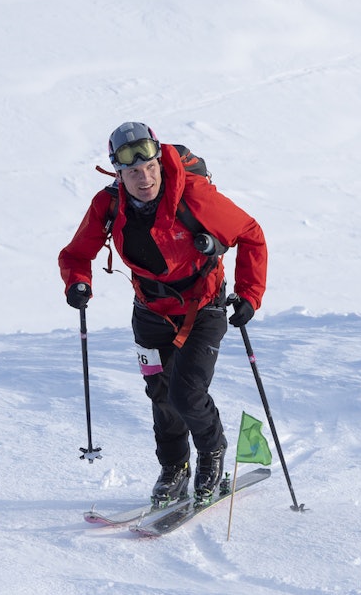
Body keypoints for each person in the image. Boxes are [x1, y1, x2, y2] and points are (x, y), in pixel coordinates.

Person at [58, 122, 267, 506]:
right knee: (160, 396)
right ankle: (174, 467)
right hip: (150, 313)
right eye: (133, 171)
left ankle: (212, 451)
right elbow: (75, 254)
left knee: (186, 394)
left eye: (150, 167)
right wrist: (77, 281)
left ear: (159, 161)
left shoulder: (194, 197)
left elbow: (250, 233)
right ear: (117, 173)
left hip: (202, 309)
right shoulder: (110, 204)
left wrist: (250, 294)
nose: (144, 177)